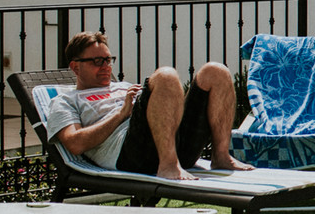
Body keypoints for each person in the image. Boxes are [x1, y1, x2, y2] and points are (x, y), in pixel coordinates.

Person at [43, 31, 252, 181]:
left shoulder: (124, 87)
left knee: (216, 71)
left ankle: (221, 156)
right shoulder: (65, 101)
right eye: (97, 61)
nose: (105, 67)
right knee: (166, 75)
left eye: (108, 60)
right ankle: (168, 165)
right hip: (131, 155)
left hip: (174, 145)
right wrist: (121, 114)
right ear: (75, 67)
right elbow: (74, 144)